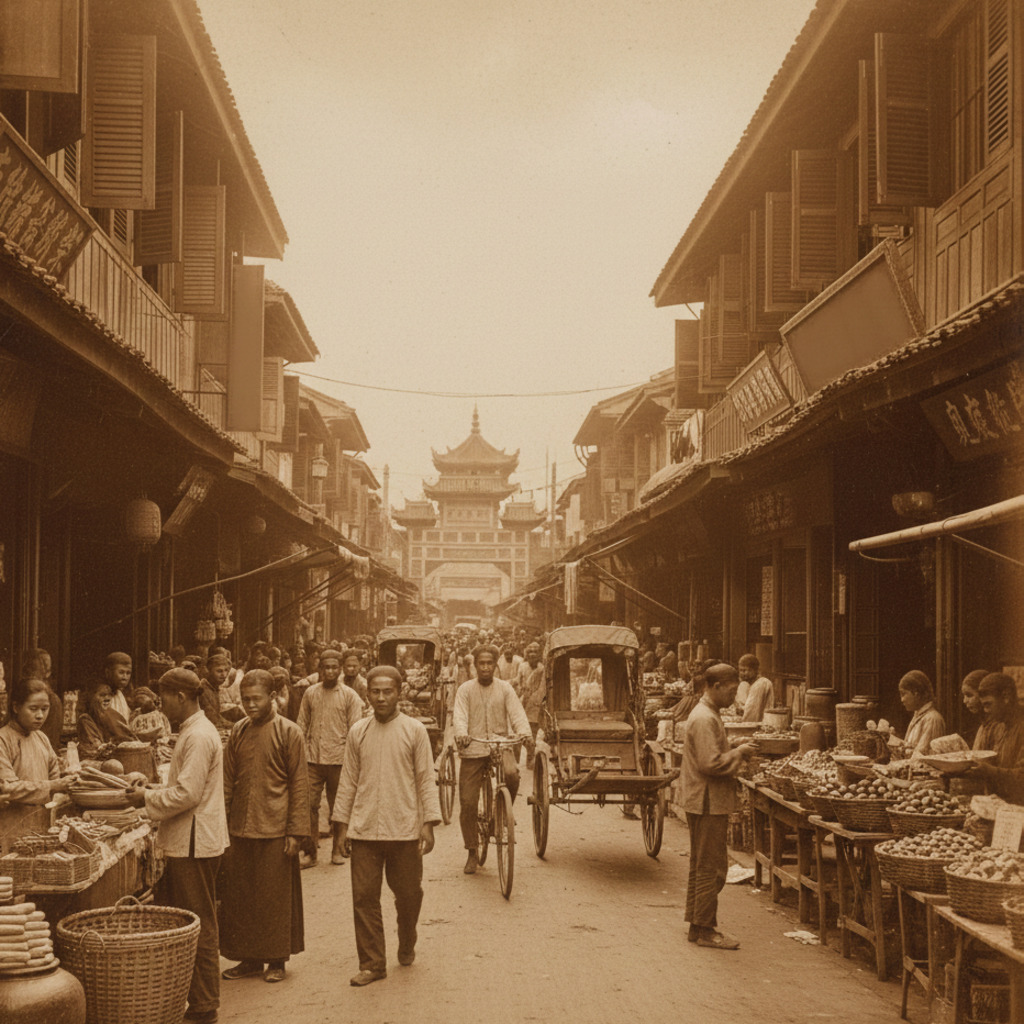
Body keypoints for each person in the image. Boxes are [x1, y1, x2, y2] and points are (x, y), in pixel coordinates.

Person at [126, 667, 229, 1024]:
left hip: (194, 842)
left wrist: (146, 797)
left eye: (164, 697)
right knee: (191, 919)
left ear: (181, 697)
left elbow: (187, 794)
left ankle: (204, 1005)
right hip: (191, 840)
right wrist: (153, 786)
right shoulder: (193, 731)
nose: (160, 703)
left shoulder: (198, 735)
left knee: (198, 922)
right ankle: (194, 998)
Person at [331, 666, 441, 987]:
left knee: (408, 895)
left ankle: (407, 938)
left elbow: (425, 779)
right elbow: (348, 781)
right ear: (368, 694)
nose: (381, 698)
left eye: (387, 691)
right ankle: (373, 963)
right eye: (375, 692)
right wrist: (340, 828)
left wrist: (428, 823)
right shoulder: (358, 732)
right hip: (364, 830)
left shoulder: (415, 731)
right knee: (364, 897)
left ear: (399, 692)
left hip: (404, 829)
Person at [220, 670, 309, 984]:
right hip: (239, 828)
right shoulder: (238, 731)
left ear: (273, 697)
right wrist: (223, 827)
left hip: (275, 828)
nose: (250, 705)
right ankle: (249, 960)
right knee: (242, 897)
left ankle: (276, 959)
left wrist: (296, 832)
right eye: (245, 699)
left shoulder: (289, 732)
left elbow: (300, 784)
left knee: (274, 899)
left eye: (256, 699)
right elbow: (227, 782)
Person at [682, 662, 758, 950]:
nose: (733, 696)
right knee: (712, 868)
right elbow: (710, 763)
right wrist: (738, 752)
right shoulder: (704, 718)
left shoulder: (708, 714)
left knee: (702, 864)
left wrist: (731, 746)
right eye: (730, 690)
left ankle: (697, 923)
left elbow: (711, 753)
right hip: (706, 801)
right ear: (714, 687)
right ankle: (704, 929)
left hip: (706, 800)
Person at [453, 645, 530, 876]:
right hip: (473, 746)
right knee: (467, 801)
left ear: (495, 665)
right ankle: (472, 851)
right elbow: (460, 715)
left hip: (499, 744)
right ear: (474, 665)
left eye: (489, 663)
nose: (485, 667)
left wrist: (525, 734)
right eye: (481, 663)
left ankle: (499, 819)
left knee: (512, 774)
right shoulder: (465, 690)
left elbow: (517, 714)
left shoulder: (505, 688)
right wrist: (461, 734)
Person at [296, 649, 365, 867]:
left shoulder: (350, 696)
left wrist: (352, 762)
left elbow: (355, 731)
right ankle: (310, 852)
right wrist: (302, 754)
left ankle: (338, 849)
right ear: (320, 669)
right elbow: (301, 725)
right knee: (309, 805)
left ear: (340, 669)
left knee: (340, 807)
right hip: (313, 760)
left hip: (340, 761)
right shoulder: (311, 693)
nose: (330, 671)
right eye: (326, 667)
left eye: (335, 667)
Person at [0, 677, 77, 804]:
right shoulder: (3, 740)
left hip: (42, 817)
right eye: (33, 709)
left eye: (44, 709)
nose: (40, 715)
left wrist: (66, 778)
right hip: (12, 820)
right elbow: (7, 789)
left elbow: (54, 776)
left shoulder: (41, 738)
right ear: (16, 707)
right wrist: (53, 785)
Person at [972, 673, 1024, 804]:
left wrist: (989, 771)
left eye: (988, 704)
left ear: (1006, 697)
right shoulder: (998, 728)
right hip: (1002, 807)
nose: (986, 711)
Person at [76, 680, 136, 758]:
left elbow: (129, 737)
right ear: (92, 697)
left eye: (109, 695)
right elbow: (96, 749)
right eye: (102, 695)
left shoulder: (114, 715)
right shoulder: (85, 720)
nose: (107, 698)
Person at [20, 648, 62, 752]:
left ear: (47, 673)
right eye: (27, 672)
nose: (28, 677)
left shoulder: (52, 701)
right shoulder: (19, 695)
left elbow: (50, 742)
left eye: (33, 671)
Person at [898, 670, 946, 757]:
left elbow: (922, 755)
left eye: (903, 694)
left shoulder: (932, 719)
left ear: (917, 694)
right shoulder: (918, 716)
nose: (902, 700)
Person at [514, 643, 545, 763]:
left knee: (532, 732)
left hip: (535, 705)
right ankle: (515, 761)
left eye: (535, 652)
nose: (532, 654)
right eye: (530, 651)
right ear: (527, 654)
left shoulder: (542, 669)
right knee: (518, 732)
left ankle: (530, 759)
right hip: (523, 702)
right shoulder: (522, 666)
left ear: (539, 655)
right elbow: (518, 681)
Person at [739, 654, 773, 724]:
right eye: (741, 670)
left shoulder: (760, 684)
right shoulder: (753, 684)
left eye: (745, 670)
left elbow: (751, 715)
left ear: (755, 670)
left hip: (760, 726)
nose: (743, 673)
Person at [960, 669, 988, 746]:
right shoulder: (982, 727)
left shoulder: (996, 727)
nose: (965, 701)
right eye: (964, 696)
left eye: (969, 695)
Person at [103, 652, 134, 721]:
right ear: (108, 673)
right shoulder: (102, 695)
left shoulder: (121, 694)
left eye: (128, 673)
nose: (125, 677)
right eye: (121, 672)